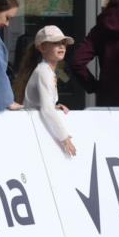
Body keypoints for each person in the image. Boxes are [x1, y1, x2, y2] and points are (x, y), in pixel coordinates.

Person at [15, 25, 76, 156]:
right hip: (35, 132)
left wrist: (54, 106)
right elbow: (46, 110)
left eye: (63, 42)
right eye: (55, 42)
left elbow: (46, 106)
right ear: (42, 48)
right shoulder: (43, 71)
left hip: (36, 130)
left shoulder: (45, 70)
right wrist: (64, 137)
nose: (61, 46)